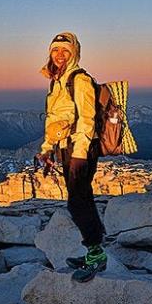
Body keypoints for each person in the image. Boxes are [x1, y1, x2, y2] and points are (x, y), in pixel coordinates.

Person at [34, 31, 108, 282]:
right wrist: (47, 149)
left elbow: (86, 120)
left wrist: (79, 155)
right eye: (56, 50)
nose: (60, 55)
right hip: (67, 147)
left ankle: (96, 254)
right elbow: (55, 120)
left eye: (65, 50)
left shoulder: (79, 79)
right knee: (81, 199)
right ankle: (93, 250)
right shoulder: (57, 81)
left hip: (80, 149)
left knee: (77, 202)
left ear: (74, 52)